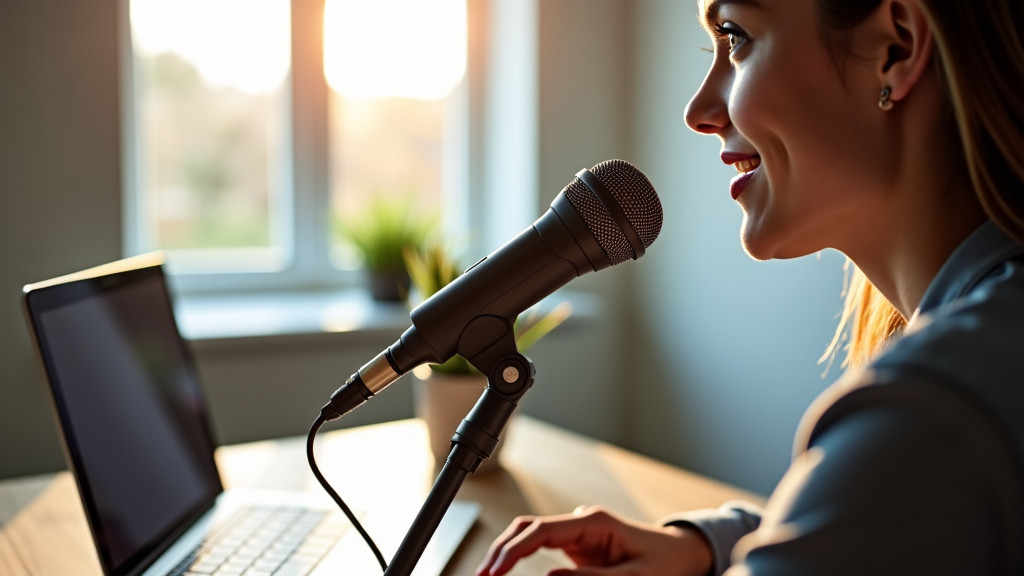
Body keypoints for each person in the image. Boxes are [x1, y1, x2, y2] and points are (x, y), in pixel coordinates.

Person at [476, 0, 1024, 574]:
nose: (698, 111)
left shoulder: (933, 415)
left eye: (736, 37)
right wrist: (711, 547)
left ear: (897, 49)